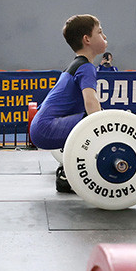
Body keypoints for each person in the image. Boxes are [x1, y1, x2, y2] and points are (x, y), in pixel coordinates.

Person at [29, 14, 108, 192]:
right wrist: (105, 131)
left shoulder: (75, 65)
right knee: (95, 119)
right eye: (100, 32)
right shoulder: (86, 67)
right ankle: (67, 174)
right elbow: (91, 102)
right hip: (46, 128)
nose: (105, 37)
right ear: (87, 39)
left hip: (42, 128)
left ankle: (67, 169)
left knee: (94, 118)